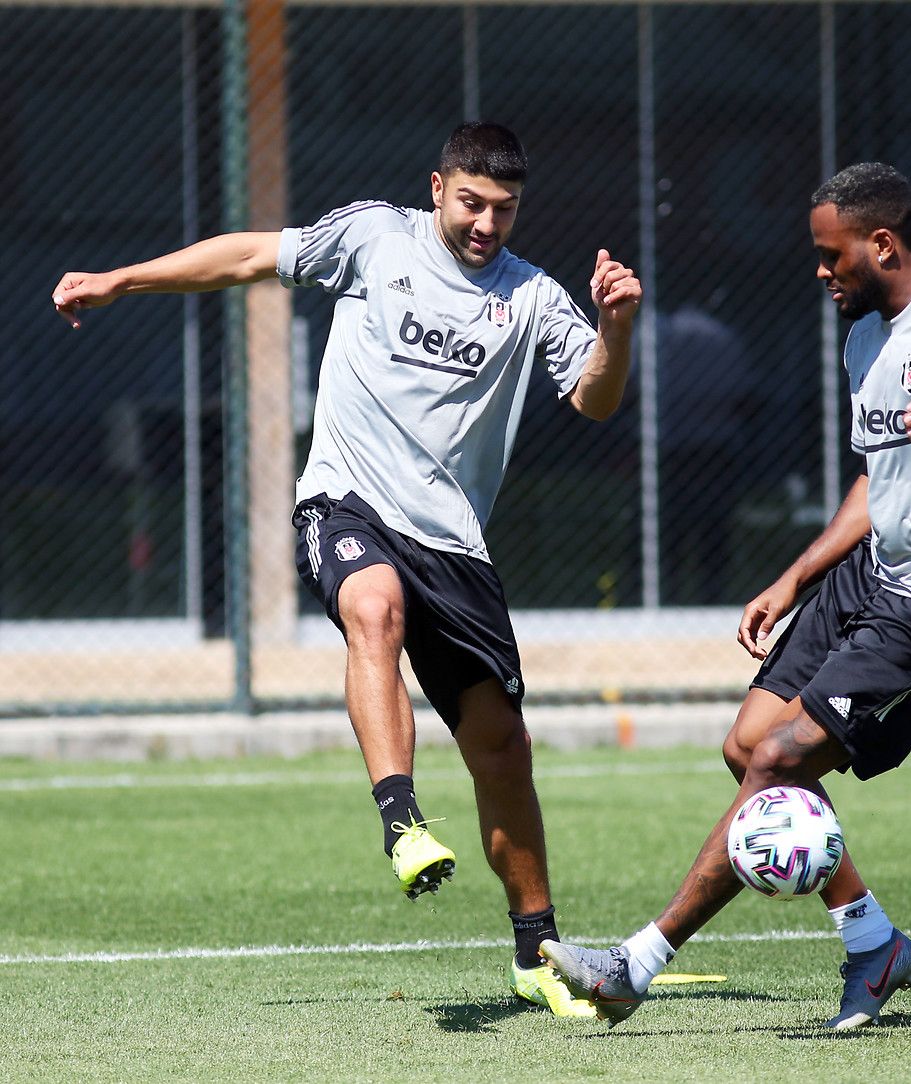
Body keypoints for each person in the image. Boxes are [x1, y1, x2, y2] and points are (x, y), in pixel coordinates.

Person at [52, 122, 641, 1018]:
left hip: (453, 541)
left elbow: (595, 400)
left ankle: (538, 952)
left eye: (505, 209)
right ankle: (402, 821)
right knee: (373, 608)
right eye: (472, 203)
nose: (487, 223)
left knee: (500, 748)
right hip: (347, 501)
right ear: (437, 186)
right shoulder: (376, 237)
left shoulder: (530, 298)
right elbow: (251, 253)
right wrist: (122, 280)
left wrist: (615, 328)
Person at [539, 162, 911, 1028]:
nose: (821, 272)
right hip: (877, 570)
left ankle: (634, 965)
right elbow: (877, 479)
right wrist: (794, 577)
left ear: (883, 244)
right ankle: (875, 945)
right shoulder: (864, 332)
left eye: (832, 256)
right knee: (749, 742)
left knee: (779, 762)